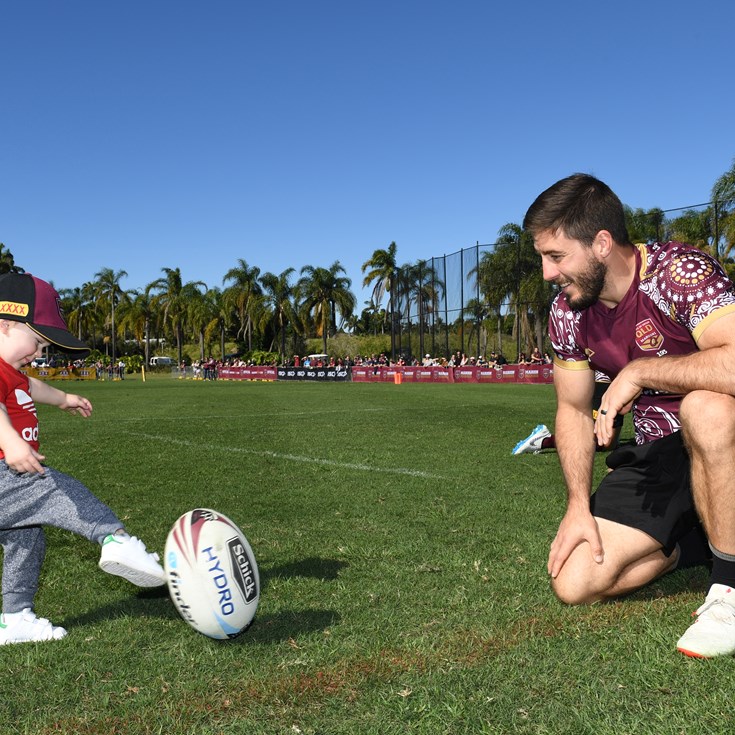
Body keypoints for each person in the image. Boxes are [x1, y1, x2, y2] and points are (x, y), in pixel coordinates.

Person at [524, 172, 735, 658]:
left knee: (706, 408)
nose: (547, 273)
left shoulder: (678, 273)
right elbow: (573, 410)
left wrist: (641, 372)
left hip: (723, 431)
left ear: (601, 243)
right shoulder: (567, 312)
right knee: (575, 581)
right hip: (661, 452)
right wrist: (578, 504)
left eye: (556, 257)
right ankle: (699, 543)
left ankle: (727, 589)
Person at [0, 273, 165, 645]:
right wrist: (10, 441)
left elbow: (32, 387)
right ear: (6, 322)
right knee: (54, 488)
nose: (39, 353)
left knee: (27, 538)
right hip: (3, 472)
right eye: (37, 341)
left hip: (6, 481)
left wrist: (64, 399)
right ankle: (116, 539)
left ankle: (14, 617)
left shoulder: (14, 373)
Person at [513, 378, 624, 455]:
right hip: (605, 382)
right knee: (603, 443)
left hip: (615, 378)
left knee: (610, 443)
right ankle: (542, 440)